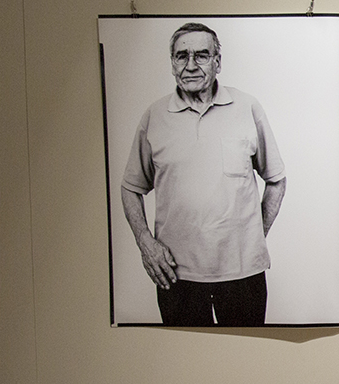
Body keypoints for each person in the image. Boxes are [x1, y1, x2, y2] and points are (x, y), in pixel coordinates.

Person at [121, 22, 287, 326]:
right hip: (176, 275)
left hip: (243, 274)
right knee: (184, 356)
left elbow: (276, 179)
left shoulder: (247, 107)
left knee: (247, 353)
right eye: (181, 56)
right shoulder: (154, 116)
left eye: (201, 55)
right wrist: (145, 242)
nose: (191, 65)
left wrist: (254, 235)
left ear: (217, 62)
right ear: (172, 63)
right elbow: (131, 187)